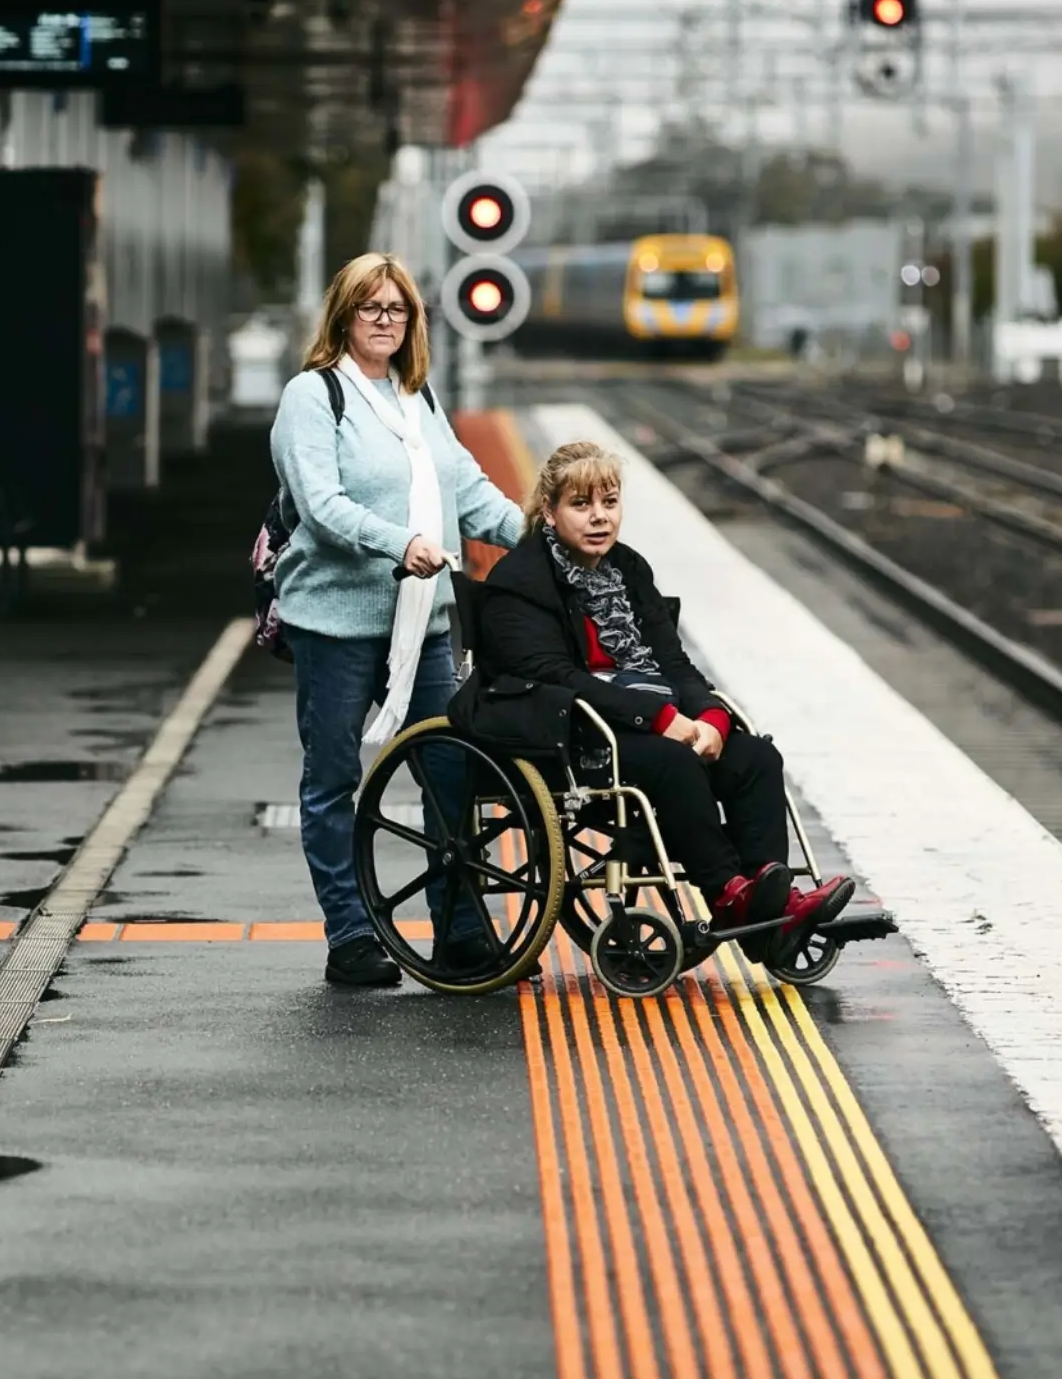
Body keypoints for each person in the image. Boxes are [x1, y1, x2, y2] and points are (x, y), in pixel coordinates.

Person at [473, 441, 853, 960]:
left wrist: (713, 719)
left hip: (646, 721)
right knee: (674, 763)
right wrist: (659, 717)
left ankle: (772, 900)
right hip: (572, 732)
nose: (599, 517)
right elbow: (556, 675)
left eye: (609, 502)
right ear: (549, 511)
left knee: (755, 758)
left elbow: (672, 663)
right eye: (581, 505)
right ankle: (729, 897)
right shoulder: (520, 581)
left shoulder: (628, 569)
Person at [271, 253, 524, 988]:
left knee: (452, 774)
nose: (385, 320)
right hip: (338, 621)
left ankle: (463, 934)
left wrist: (546, 538)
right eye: (370, 308)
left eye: (398, 309)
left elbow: (467, 493)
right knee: (333, 778)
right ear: (343, 316)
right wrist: (400, 544)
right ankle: (350, 935)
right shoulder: (313, 397)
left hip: (428, 620)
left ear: (414, 321)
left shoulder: (420, 398)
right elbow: (320, 505)